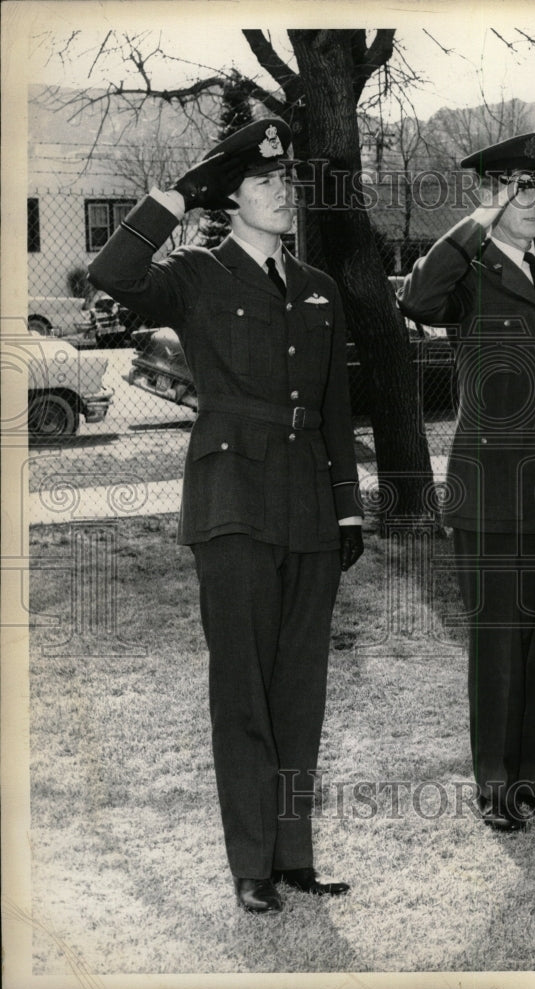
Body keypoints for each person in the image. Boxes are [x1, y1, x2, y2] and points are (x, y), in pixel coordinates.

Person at [89, 118, 364, 912]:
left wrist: (347, 512)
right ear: (230, 198)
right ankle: (250, 864)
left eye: (288, 182)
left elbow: (335, 409)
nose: (285, 193)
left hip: (311, 505)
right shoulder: (196, 275)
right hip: (231, 502)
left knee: (299, 688)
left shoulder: (319, 286)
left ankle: (292, 857)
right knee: (242, 687)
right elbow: (112, 269)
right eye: (265, 182)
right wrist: (178, 194)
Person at [397, 132, 535, 831]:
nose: (533, 201)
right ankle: (496, 787)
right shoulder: (465, 273)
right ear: (488, 197)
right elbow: (418, 299)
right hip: (488, 488)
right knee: (497, 643)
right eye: (516, 189)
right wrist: (471, 228)